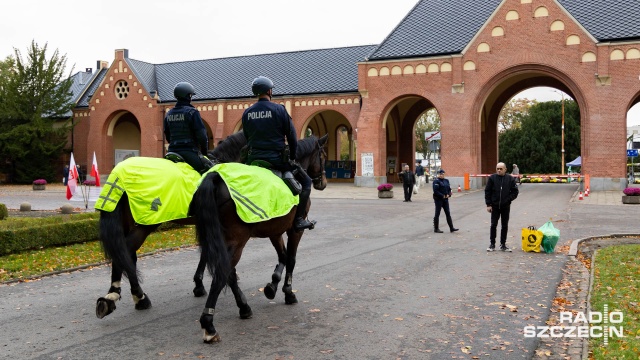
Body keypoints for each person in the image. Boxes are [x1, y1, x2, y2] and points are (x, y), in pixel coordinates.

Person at [241, 76, 315, 231]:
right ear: (269, 91)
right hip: (276, 160)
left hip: (253, 160)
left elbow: (247, 138)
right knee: (307, 182)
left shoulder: (247, 113)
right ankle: (299, 220)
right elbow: (293, 138)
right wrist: (293, 158)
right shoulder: (279, 109)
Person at [163, 82, 211, 174]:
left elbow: (167, 135)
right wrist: (204, 153)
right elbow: (202, 136)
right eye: (191, 95)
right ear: (188, 96)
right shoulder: (192, 112)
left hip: (171, 153)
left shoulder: (168, 114)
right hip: (189, 153)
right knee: (212, 171)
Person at [485, 162, 519, 252]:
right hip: (494, 206)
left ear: (505, 169)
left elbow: (515, 192)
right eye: (497, 169)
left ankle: (503, 244)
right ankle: (492, 244)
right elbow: (487, 191)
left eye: (501, 169)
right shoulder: (492, 178)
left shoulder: (510, 179)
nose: (499, 170)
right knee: (493, 225)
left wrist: (508, 199)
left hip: (505, 206)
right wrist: (488, 204)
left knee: (504, 225)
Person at [432, 169, 458, 233]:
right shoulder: (436, 181)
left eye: (442, 174)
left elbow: (449, 189)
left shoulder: (446, 181)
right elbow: (436, 191)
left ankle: (451, 228)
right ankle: (436, 228)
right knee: (437, 213)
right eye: (440, 174)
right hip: (438, 199)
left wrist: (449, 194)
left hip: (445, 199)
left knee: (448, 213)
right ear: (438, 174)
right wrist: (442, 195)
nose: (441, 175)